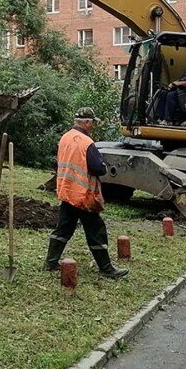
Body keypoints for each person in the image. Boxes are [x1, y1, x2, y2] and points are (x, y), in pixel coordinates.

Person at [45, 107, 128, 280]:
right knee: (96, 231)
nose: (93, 126)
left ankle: (50, 262)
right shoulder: (86, 142)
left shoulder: (65, 138)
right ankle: (106, 269)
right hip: (84, 195)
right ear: (87, 122)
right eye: (93, 122)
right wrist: (104, 165)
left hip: (68, 192)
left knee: (63, 229)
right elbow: (98, 168)